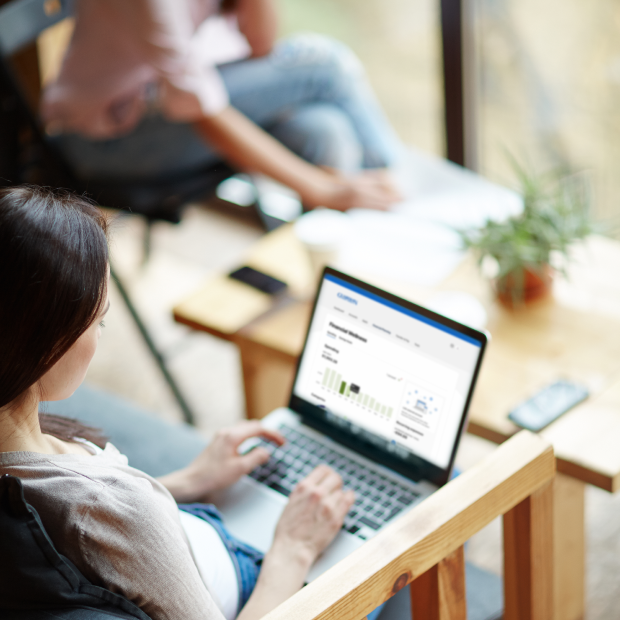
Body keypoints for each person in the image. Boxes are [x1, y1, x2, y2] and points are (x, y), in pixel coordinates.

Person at [0, 185, 356, 620]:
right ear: (44, 345)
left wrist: (191, 479)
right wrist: (294, 550)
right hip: (252, 589)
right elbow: (103, 520)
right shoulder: (105, 507)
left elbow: (101, 533)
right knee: (392, 533)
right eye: (100, 320)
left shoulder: (21, 452)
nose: (100, 336)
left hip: (183, 533)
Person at [42, 0, 402, 211]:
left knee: (324, 130)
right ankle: (402, 196)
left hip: (162, 104)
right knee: (324, 64)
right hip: (106, 138)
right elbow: (201, 109)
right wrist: (327, 192)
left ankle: (339, 273)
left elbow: (261, 43)